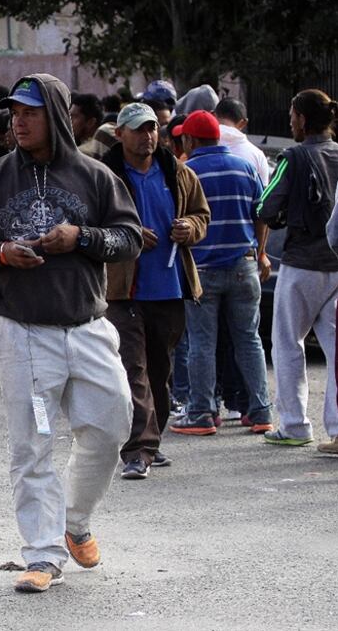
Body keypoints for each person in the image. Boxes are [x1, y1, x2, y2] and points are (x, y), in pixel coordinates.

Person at [0, 74, 142, 593]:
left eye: (30, 112)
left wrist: (81, 237)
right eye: (14, 112)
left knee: (111, 426)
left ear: (56, 114)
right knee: (31, 444)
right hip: (25, 336)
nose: (19, 121)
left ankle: (73, 523)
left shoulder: (97, 175)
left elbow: (128, 238)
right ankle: (42, 555)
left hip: (88, 328)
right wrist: (0, 252)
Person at [100, 103, 210, 478]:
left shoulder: (178, 171)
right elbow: (90, 226)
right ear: (120, 134)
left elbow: (201, 214)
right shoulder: (105, 176)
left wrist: (189, 229)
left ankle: (152, 440)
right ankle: (138, 450)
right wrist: (127, 237)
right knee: (133, 370)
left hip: (170, 287)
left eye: (151, 129)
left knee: (160, 372)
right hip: (123, 291)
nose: (147, 136)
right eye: (137, 129)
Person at [164, 110, 273, 437]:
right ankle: (260, 412)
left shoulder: (187, 171)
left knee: (201, 342)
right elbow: (263, 213)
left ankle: (202, 412)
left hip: (202, 269)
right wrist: (261, 251)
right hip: (244, 265)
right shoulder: (246, 168)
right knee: (249, 340)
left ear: (192, 139)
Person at [259, 89, 338, 450]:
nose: (290, 122)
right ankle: (337, 429)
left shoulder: (294, 157)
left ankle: (294, 424)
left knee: (288, 343)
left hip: (302, 263)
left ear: (303, 120)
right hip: (336, 265)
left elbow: (265, 203)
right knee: (336, 349)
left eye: (292, 116)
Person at [215, 98, 270, 184]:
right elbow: (263, 194)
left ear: (213, 115)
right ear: (243, 123)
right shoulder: (257, 156)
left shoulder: (200, 145)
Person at [69, 94, 104, 158]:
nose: (69, 120)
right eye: (69, 116)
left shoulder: (86, 154)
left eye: (75, 116)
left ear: (91, 122)